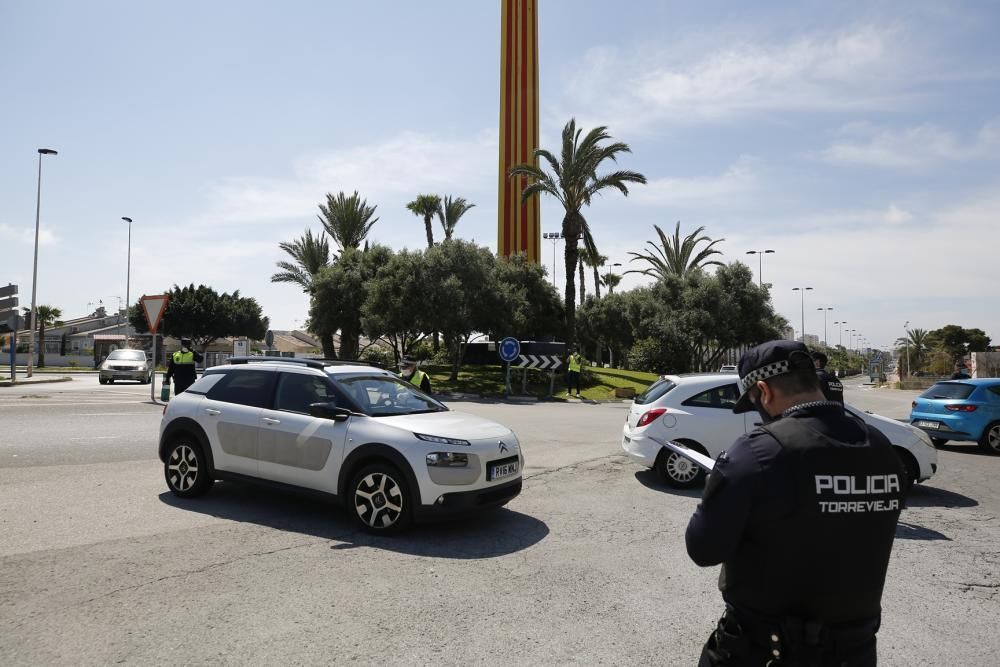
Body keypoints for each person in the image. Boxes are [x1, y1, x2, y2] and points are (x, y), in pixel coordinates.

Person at [686, 340, 905, 666]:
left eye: (755, 402)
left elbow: (703, 548)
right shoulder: (881, 447)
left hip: (764, 651)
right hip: (855, 652)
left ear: (763, 391)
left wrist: (721, 486)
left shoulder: (758, 453)